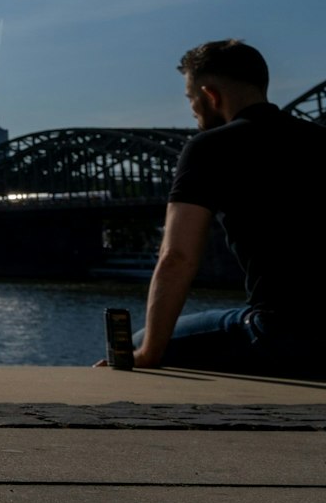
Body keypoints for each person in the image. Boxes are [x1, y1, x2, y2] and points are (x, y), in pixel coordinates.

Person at [98, 39, 326, 378]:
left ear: (210, 95)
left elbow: (177, 256)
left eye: (191, 98)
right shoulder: (319, 139)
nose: (191, 109)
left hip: (281, 336)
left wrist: (148, 354)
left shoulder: (209, 148)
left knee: (139, 340)